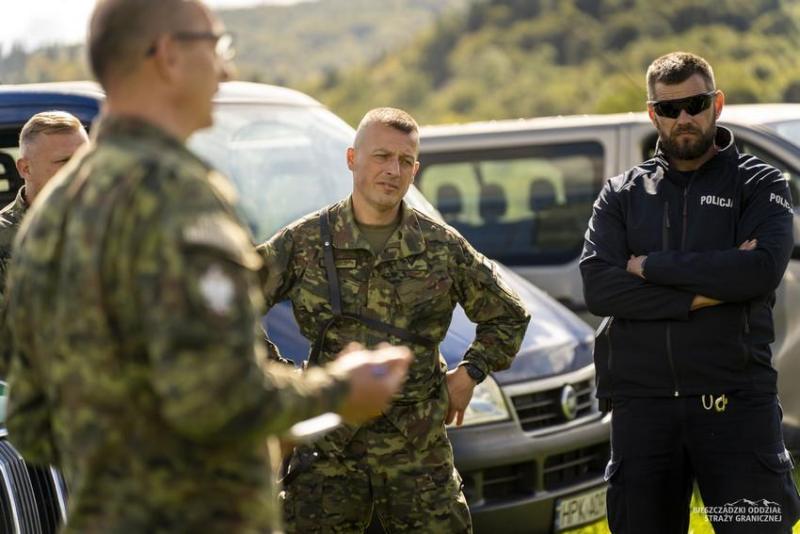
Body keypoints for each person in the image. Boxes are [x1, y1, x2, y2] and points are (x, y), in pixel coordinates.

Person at [2, 1, 411, 532]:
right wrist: (340, 390)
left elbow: (30, 421)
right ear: (169, 56)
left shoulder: (52, 213)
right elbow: (219, 396)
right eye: (217, 46)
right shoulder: (174, 194)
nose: (227, 69)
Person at [258, 107, 531, 533]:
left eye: (405, 161)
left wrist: (470, 373)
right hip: (329, 452)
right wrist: (282, 377)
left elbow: (509, 315)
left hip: (418, 454)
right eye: (382, 156)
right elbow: (224, 310)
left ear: (415, 170)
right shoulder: (306, 241)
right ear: (352, 159)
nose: (393, 170)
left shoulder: (440, 246)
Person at [581, 51, 800, 534]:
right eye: (669, 108)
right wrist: (698, 297)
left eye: (695, 104)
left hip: (736, 404)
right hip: (643, 410)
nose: (684, 118)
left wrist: (649, 266)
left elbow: (759, 272)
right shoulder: (621, 193)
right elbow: (600, 288)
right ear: (652, 114)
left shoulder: (759, 183)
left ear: (717, 104)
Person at [0, 111, 89, 299]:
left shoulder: (110, 223)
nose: (81, 170)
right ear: (25, 168)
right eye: (65, 161)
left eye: (86, 158)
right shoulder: (4, 237)